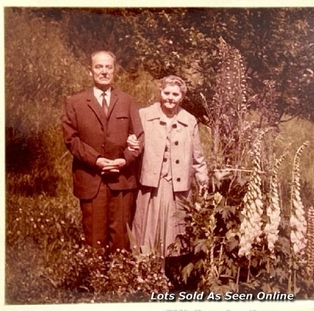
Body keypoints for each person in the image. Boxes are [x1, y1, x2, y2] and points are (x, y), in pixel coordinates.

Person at [62, 51, 143, 255]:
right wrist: (97, 160)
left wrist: (123, 161)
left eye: (108, 67)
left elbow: (138, 138)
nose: (104, 71)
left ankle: (120, 282)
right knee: (94, 240)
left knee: (122, 240)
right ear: (90, 71)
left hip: (122, 180)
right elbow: (71, 140)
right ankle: (96, 284)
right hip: (91, 180)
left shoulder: (127, 101)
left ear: (114, 70)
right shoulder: (75, 102)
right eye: (99, 67)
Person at [127, 75, 208, 258]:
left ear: (181, 97)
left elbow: (198, 155)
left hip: (176, 187)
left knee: (174, 233)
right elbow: (133, 140)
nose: (170, 98)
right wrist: (131, 140)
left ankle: (169, 272)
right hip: (151, 185)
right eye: (167, 93)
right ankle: (147, 271)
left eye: (175, 94)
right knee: (147, 231)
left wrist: (202, 178)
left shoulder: (189, 120)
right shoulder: (144, 115)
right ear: (160, 92)